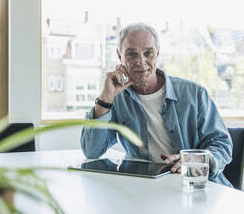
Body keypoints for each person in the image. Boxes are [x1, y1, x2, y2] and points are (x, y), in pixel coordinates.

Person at [80, 22, 233, 186]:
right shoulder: (117, 99)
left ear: (158, 53)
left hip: (197, 186)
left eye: (148, 53)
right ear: (120, 56)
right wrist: (105, 98)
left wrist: (192, 160)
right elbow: (92, 151)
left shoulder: (194, 93)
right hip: (148, 189)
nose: (141, 61)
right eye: (132, 54)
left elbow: (222, 145)